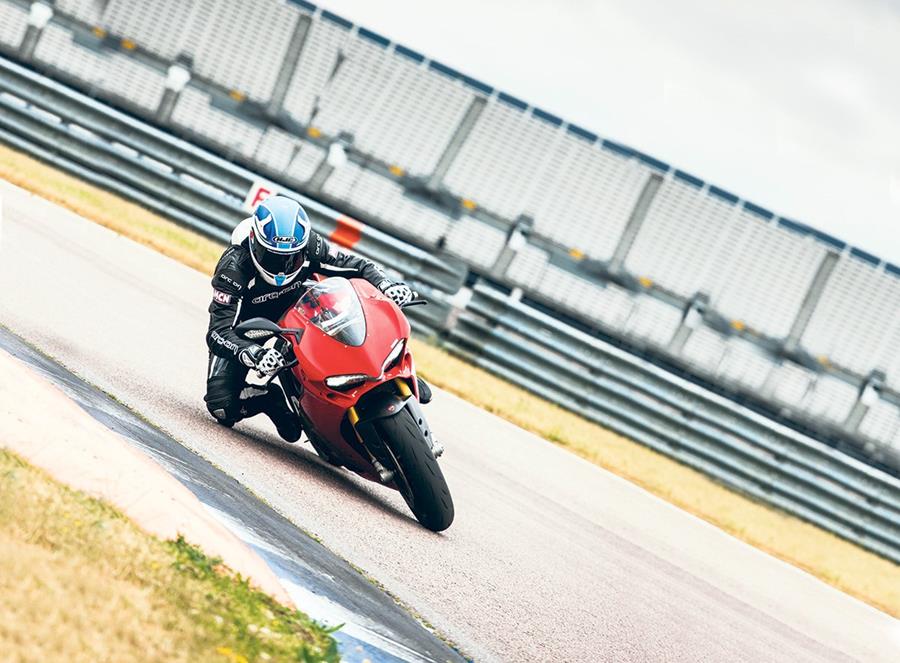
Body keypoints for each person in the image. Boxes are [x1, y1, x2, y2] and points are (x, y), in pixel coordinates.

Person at [204, 194, 415, 441]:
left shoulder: (311, 245)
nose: (282, 266)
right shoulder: (233, 269)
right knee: (221, 405)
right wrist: (252, 353)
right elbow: (218, 332)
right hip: (250, 323)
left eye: (291, 257)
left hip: (301, 304)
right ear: (255, 242)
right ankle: (270, 398)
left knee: (355, 317)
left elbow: (357, 264)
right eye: (273, 256)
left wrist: (386, 285)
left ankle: (393, 372)